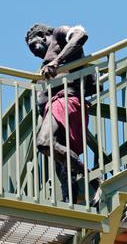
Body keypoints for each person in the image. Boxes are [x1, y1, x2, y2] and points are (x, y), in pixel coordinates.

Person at [25, 23, 100, 204]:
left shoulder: (59, 34)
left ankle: (95, 180)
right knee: (63, 169)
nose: (34, 52)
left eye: (33, 45)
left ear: (43, 36)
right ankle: (72, 208)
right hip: (54, 107)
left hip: (65, 101)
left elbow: (80, 35)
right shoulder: (44, 65)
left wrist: (56, 62)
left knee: (43, 142)